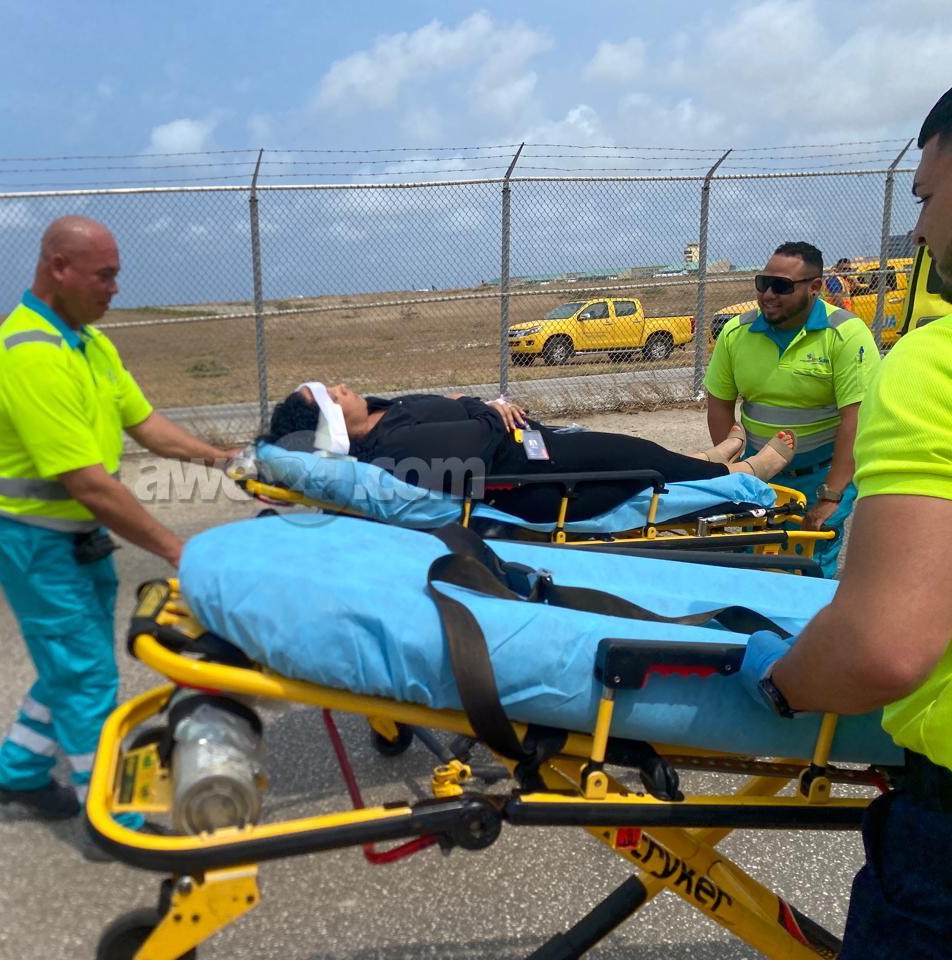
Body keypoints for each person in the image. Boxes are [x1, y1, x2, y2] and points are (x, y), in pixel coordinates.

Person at [738, 87, 952, 959]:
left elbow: (880, 649)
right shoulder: (741, 335)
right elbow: (721, 404)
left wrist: (782, 686)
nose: (919, 230)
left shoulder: (926, 364)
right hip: (759, 479)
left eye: (927, 197)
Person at [0, 216, 237, 836]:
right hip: (32, 539)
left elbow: (144, 424)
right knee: (86, 671)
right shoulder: (31, 356)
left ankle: (16, 773)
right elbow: (90, 485)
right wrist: (175, 549)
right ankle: (116, 818)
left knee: (72, 659)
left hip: (71, 534)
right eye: (105, 275)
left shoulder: (87, 343)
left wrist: (222, 460)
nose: (116, 288)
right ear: (59, 268)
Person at [263, 382, 795, 523]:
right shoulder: (393, 448)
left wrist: (475, 406)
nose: (340, 388)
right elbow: (476, 444)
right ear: (333, 426)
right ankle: (744, 471)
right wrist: (490, 411)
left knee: (636, 450)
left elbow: (454, 406)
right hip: (536, 474)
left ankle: (709, 461)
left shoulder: (384, 414)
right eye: (330, 397)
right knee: (633, 459)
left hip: (532, 446)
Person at [704, 241, 881, 577]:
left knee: (808, 569)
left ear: (815, 287)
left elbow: (856, 420)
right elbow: (720, 405)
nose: (768, 294)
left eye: (782, 286)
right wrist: (737, 471)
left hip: (820, 476)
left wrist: (831, 495)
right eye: (763, 283)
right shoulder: (736, 333)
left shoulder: (845, 334)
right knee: (754, 562)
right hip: (760, 471)